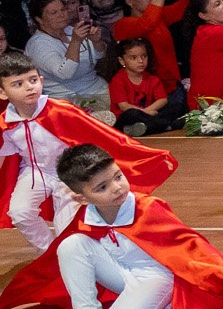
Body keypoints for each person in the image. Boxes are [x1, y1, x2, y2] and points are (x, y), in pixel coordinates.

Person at [0, 143, 223, 309]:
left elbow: (191, 248)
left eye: (118, 177)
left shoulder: (149, 208)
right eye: (102, 188)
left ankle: (164, 304)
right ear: (81, 198)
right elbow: (48, 266)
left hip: (158, 275)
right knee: (70, 245)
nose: (117, 188)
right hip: (120, 276)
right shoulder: (85, 217)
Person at [2, 50, 176, 253]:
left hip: (66, 175)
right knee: (19, 212)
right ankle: (50, 252)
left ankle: (75, 254)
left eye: (32, 80)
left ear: (41, 80)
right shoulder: (5, 123)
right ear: (3, 93)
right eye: (18, 84)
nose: (29, 88)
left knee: (67, 224)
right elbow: (6, 160)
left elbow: (105, 137)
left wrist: (147, 156)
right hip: (33, 174)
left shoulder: (60, 110)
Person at [23, 0, 110, 114]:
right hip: (67, 99)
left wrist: (96, 41)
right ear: (39, 19)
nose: (61, 15)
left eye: (63, 10)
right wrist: (75, 41)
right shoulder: (38, 44)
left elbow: (99, 55)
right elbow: (65, 73)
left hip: (97, 88)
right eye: (53, 13)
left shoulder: (71, 30)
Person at [108, 38, 186, 136]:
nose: (141, 61)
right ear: (122, 61)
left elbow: (162, 100)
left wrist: (147, 111)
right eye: (133, 58)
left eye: (144, 56)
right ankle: (165, 126)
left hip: (148, 115)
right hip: (129, 117)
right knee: (131, 114)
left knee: (176, 106)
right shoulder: (118, 80)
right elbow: (124, 106)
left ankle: (144, 128)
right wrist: (145, 113)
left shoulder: (152, 78)